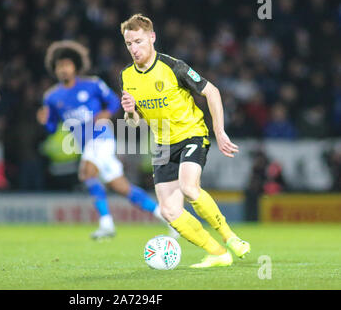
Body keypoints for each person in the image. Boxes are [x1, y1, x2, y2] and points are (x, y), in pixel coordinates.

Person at [120, 14, 250, 268]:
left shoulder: (173, 66)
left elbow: (212, 91)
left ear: (152, 37)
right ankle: (217, 253)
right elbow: (134, 123)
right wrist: (130, 112)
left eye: (138, 41)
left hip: (191, 134)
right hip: (161, 145)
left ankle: (230, 237)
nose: (134, 49)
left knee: (190, 188)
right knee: (169, 211)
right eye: (129, 44)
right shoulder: (127, 76)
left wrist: (219, 131)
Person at [37, 40, 174, 240]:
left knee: (86, 172)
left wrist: (105, 113)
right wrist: (44, 121)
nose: (63, 69)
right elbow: (51, 127)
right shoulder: (51, 97)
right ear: (54, 69)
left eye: (67, 65)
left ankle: (106, 223)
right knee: (122, 187)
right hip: (87, 145)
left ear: (75, 66)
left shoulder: (92, 84)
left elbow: (113, 101)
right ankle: (169, 219)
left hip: (102, 137)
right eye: (59, 66)